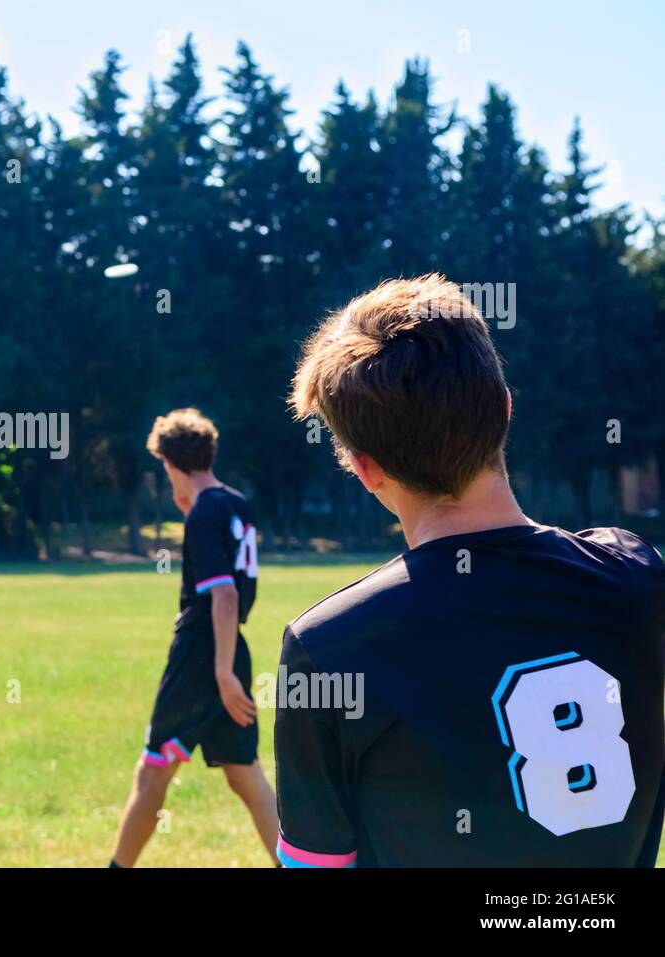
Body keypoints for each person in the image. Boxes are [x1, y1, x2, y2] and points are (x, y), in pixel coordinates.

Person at [277, 274, 665, 867]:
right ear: (505, 409)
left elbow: (315, 862)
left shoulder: (331, 643)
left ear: (363, 467)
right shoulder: (634, 577)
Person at [109, 409, 278, 867]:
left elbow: (222, 595)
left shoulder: (204, 512)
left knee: (153, 770)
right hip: (232, 647)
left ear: (169, 460)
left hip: (204, 653)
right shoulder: (235, 503)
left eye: (162, 466)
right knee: (245, 774)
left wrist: (221, 672)